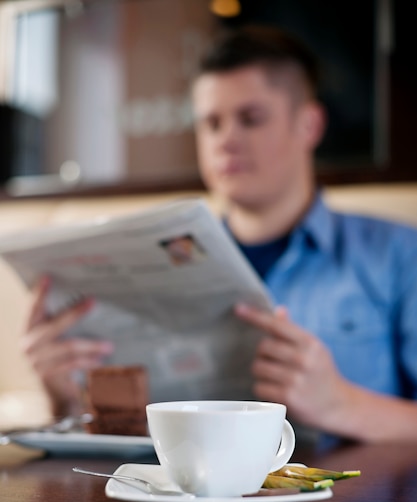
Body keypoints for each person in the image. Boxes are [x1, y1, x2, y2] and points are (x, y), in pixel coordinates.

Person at [20, 24, 417, 444]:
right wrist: (65, 400)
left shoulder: (398, 255)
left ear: (309, 125)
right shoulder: (162, 262)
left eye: (251, 119)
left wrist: (342, 405)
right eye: (211, 123)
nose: (226, 140)